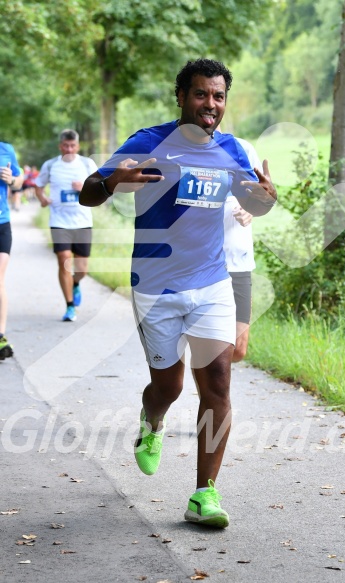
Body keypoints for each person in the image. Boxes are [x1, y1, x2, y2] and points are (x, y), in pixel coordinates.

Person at [80, 58, 277, 528]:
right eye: (201, 94)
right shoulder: (149, 142)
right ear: (182, 96)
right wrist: (112, 180)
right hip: (155, 287)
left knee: (219, 383)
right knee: (167, 386)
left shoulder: (230, 150)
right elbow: (88, 193)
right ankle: (152, 423)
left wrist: (267, 199)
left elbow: (251, 202)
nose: (210, 104)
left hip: (212, 283)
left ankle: (203, 495)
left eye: (218, 96)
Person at [35, 129, 98, 322]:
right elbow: (38, 185)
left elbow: (100, 187)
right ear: (60, 146)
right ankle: (70, 306)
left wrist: (85, 187)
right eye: (65, 145)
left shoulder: (87, 164)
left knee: (81, 269)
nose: (69, 149)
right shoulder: (51, 164)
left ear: (78, 146)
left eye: (72, 146)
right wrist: (43, 199)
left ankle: (75, 282)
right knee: (63, 260)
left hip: (82, 222)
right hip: (59, 222)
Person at [223, 137, 262, 362]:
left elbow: (262, 197)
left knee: (238, 349)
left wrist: (251, 210)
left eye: (218, 97)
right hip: (201, 261)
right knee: (209, 349)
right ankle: (211, 398)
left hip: (238, 258)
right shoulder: (188, 151)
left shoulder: (243, 149)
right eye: (201, 97)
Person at [0, 141, 23, 359]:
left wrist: (12, 180)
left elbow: (19, 179)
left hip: (1, 224)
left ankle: (0, 336)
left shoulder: (6, 149)